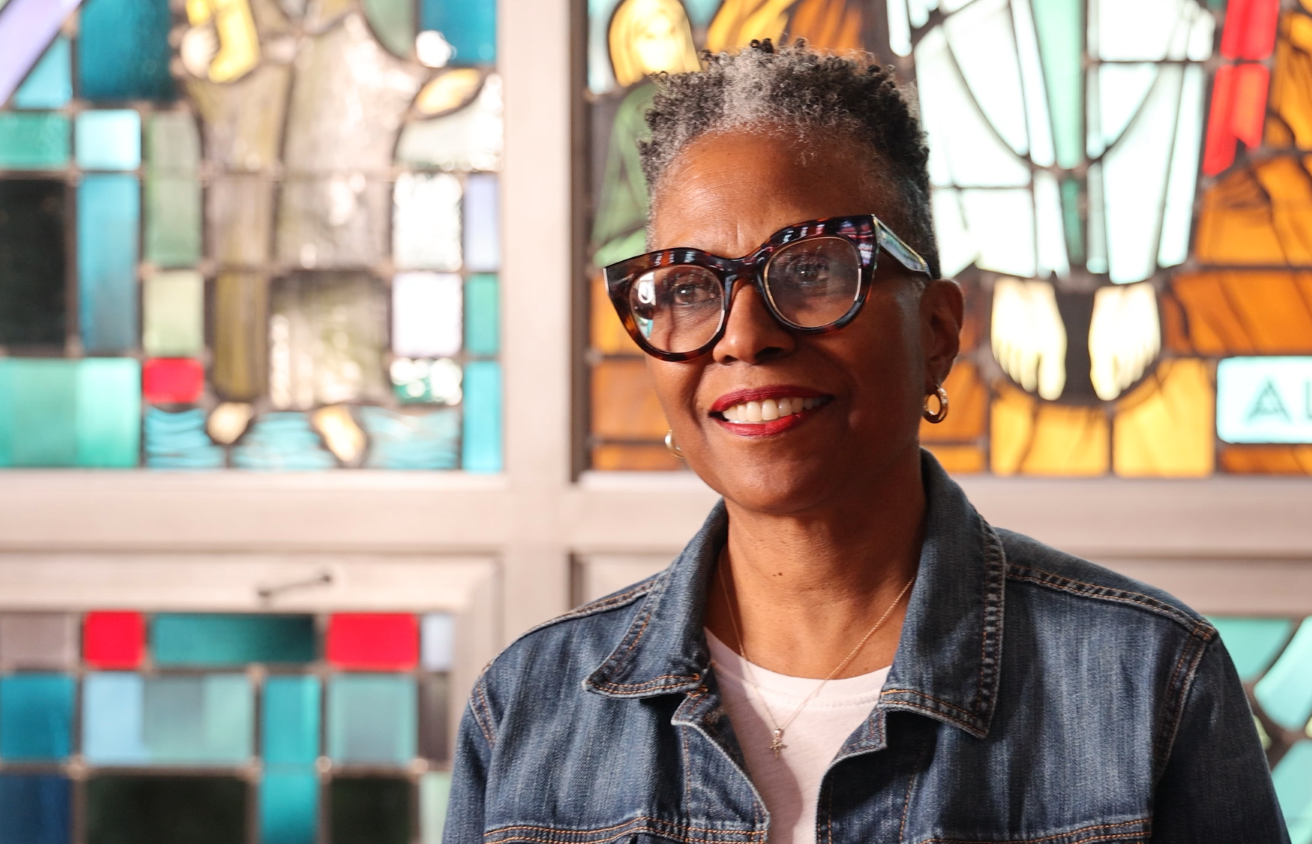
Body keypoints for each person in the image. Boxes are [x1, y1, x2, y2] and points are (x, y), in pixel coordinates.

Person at [444, 43, 1288, 843]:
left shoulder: (1150, 687)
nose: (743, 337)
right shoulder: (528, 709)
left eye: (812, 269)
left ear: (937, 331)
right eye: (691, 286)